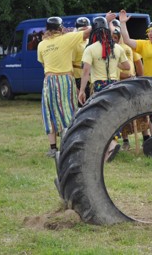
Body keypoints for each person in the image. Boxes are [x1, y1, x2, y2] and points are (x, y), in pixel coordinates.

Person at [37, 17, 91, 158]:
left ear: (47, 29)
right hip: (65, 79)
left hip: (48, 80)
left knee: (49, 112)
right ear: (61, 28)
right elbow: (87, 32)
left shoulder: (41, 45)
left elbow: (43, 65)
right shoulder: (67, 38)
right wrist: (106, 20)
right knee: (68, 111)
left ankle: (53, 148)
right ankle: (70, 145)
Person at [79, 17, 130, 161]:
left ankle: (111, 145)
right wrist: (115, 64)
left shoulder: (90, 48)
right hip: (115, 85)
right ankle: (111, 143)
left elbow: (85, 71)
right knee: (114, 115)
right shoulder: (117, 47)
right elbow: (127, 67)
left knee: (99, 116)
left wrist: (82, 90)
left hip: (99, 86)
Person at [72, 17, 91, 105]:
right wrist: (75, 86)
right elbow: (69, 65)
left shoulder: (89, 42)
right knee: (81, 104)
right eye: (82, 30)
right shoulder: (74, 44)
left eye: (86, 29)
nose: (84, 32)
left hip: (90, 77)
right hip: (78, 77)